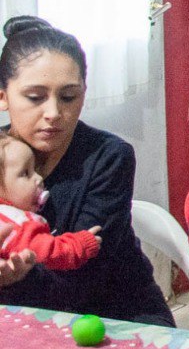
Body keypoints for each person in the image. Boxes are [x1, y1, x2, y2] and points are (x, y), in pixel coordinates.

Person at [0, 17, 173, 325]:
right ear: (3, 96)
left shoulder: (108, 158)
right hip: (22, 322)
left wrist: (16, 278)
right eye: (35, 97)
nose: (53, 113)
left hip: (115, 319)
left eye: (69, 96)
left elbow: (79, 287)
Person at [0, 133, 101, 270]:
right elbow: (45, 253)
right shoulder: (15, 224)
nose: (39, 178)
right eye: (25, 173)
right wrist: (79, 246)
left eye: (35, 169)